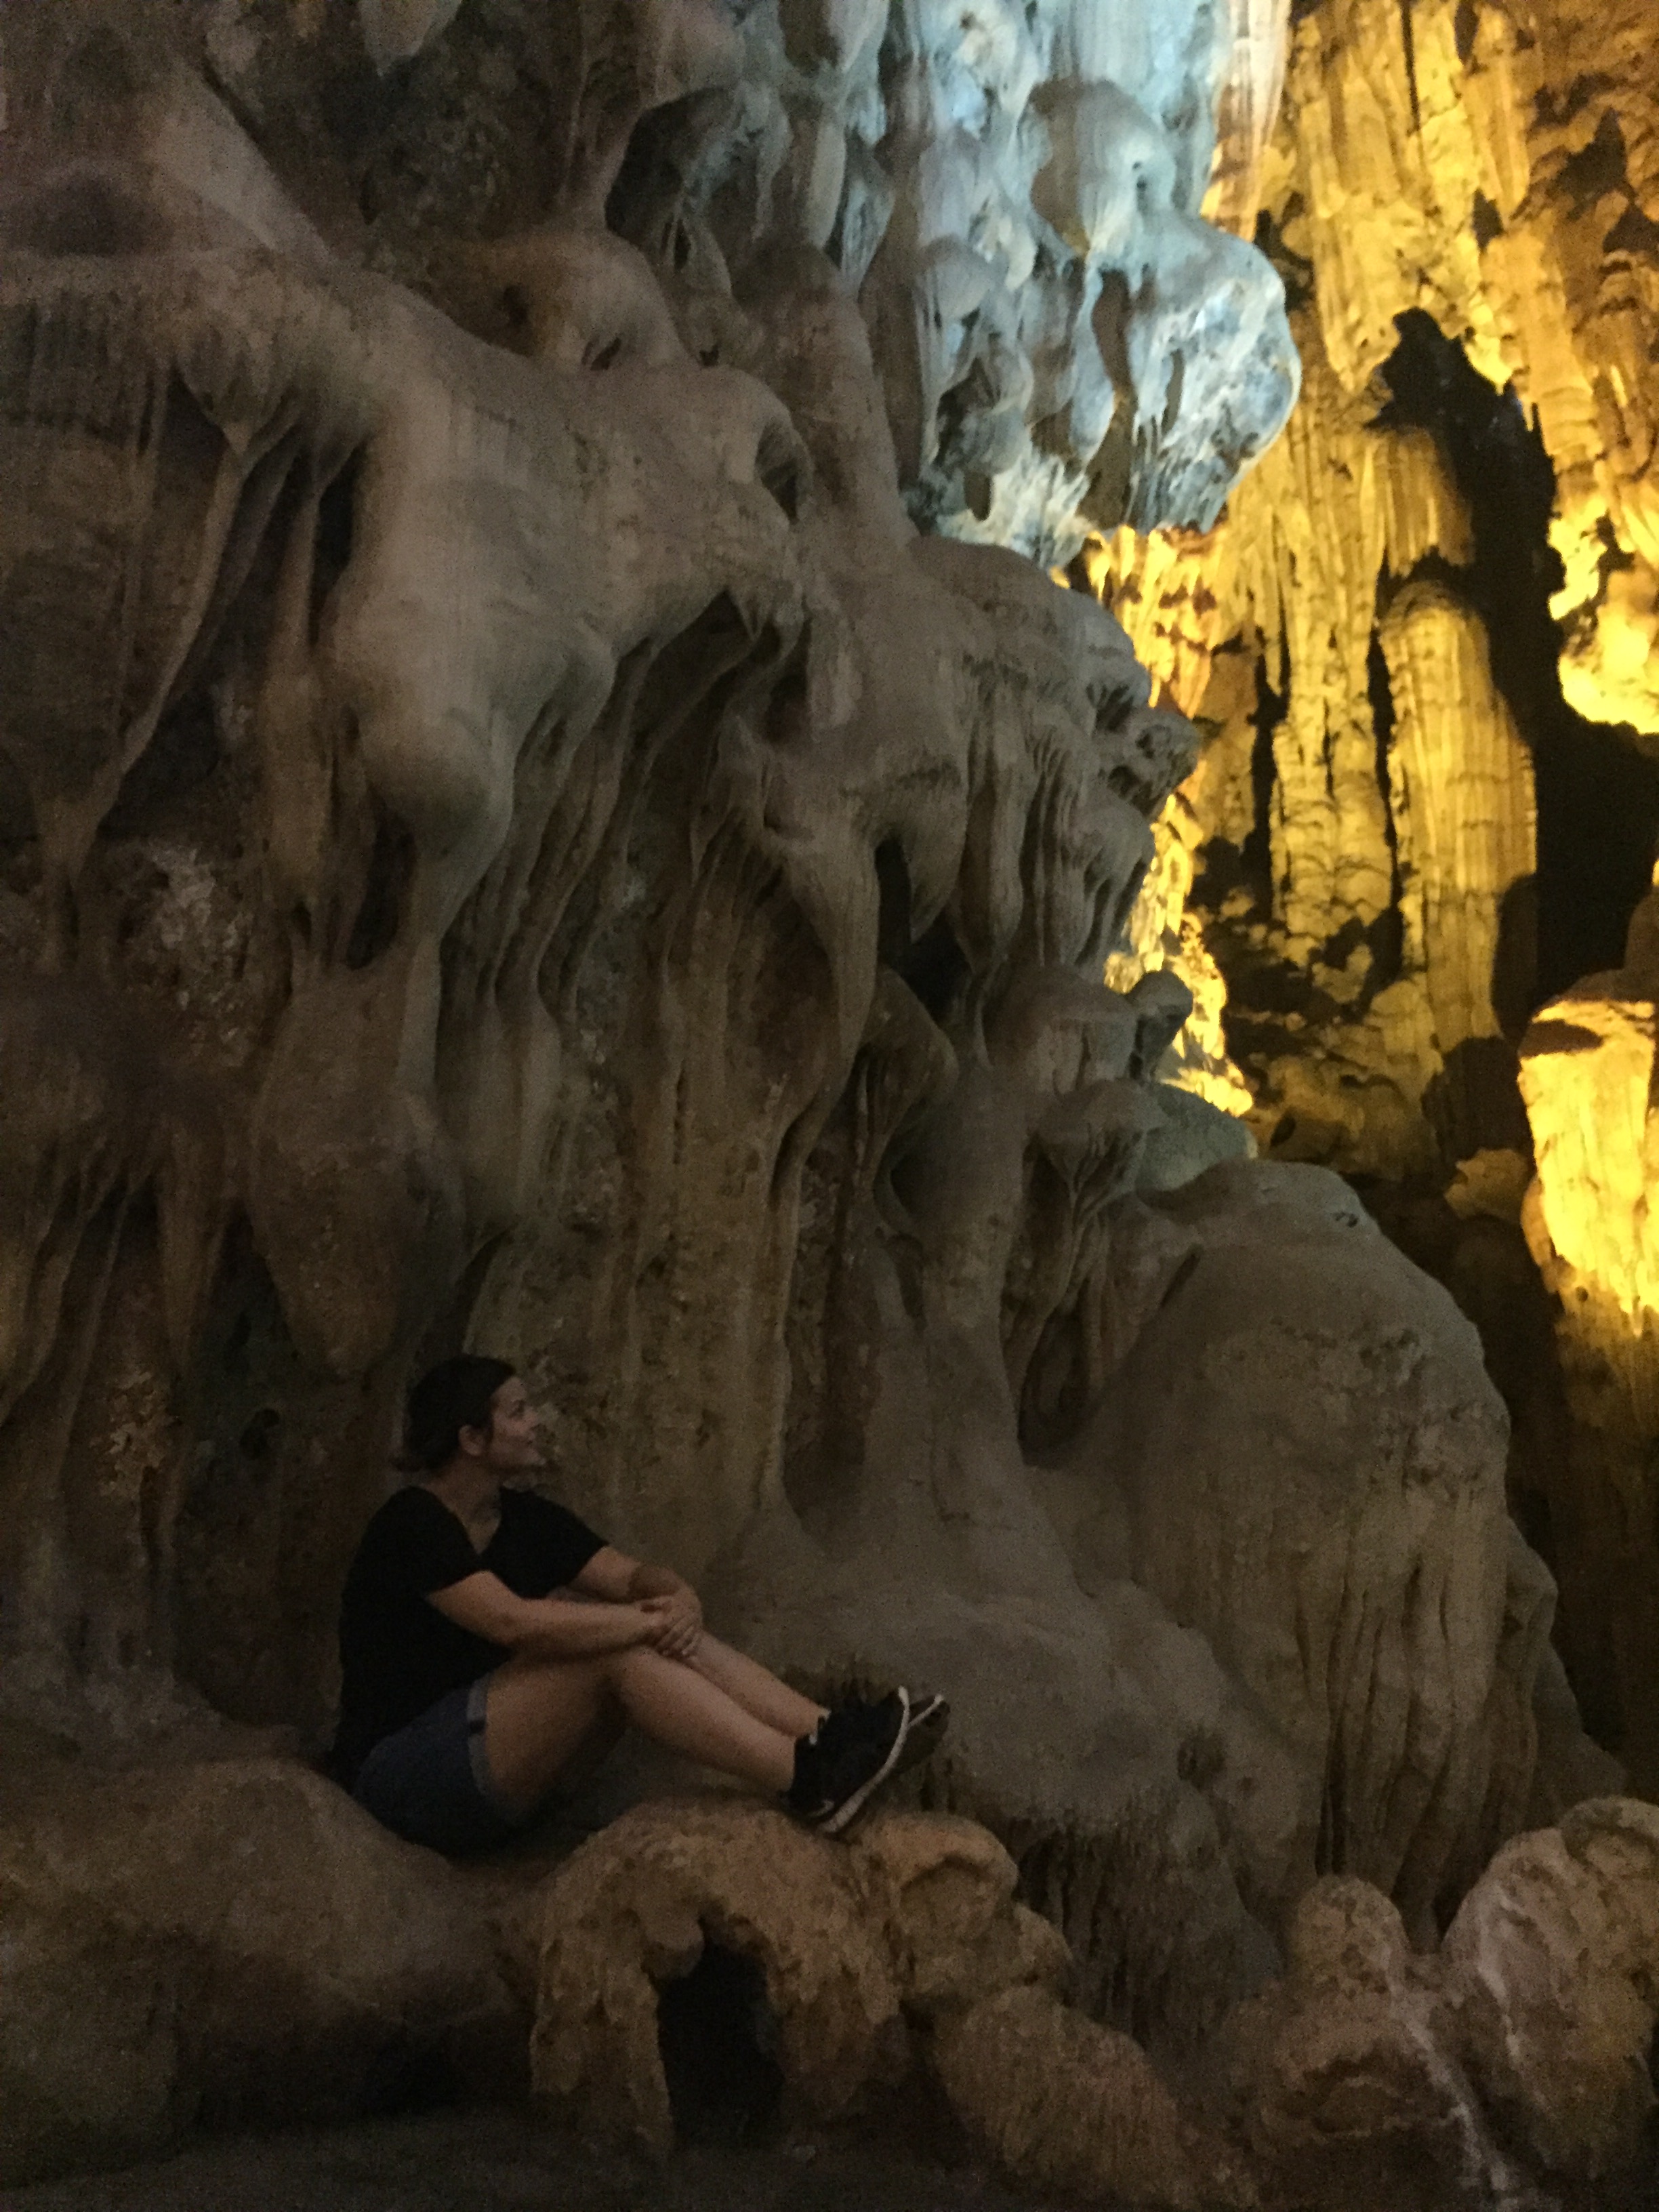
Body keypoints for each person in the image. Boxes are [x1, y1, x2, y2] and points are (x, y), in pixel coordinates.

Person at [330, 1354, 947, 1854]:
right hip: (401, 1776)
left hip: (499, 1767)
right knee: (617, 1651)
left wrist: (677, 1597)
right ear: (470, 1438)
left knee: (650, 1633)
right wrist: (644, 1621)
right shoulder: (413, 1523)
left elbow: (631, 1576)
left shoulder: (525, 1519)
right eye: (517, 1412)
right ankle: (802, 1777)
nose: (536, 1422)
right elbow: (510, 1622)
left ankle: (829, 1735)